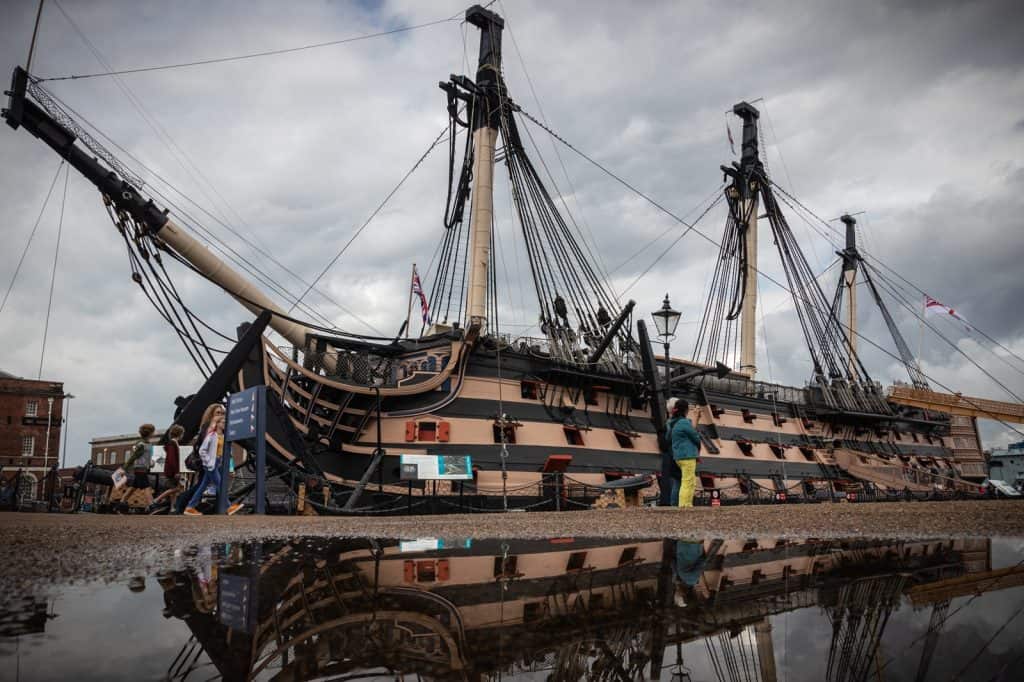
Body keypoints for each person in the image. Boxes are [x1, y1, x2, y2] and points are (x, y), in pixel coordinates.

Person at [184, 413, 242, 516]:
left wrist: (230, 466)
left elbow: (228, 453)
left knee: (203, 486)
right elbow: (202, 450)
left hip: (218, 462)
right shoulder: (211, 435)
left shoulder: (223, 436)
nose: (225, 424)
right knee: (220, 484)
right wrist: (209, 461)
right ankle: (228, 507)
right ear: (218, 424)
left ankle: (190, 507)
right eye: (223, 422)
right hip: (212, 463)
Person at [666, 398, 701, 508]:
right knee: (688, 482)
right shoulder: (684, 422)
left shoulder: (671, 423)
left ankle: (682, 504)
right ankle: (684, 505)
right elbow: (695, 436)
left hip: (677, 456)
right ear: (686, 410)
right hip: (687, 456)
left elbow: (668, 438)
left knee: (683, 481)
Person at [152, 424, 185, 512]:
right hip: (172, 471)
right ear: (180, 433)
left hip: (171, 470)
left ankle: (172, 508)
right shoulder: (172, 443)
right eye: (182, 433)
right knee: (176, 489)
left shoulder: (173, 443)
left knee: (173, 490)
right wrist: (176, 472)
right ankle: (157, 500)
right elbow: (172, 459)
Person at [124, 423, 156, 490]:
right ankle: (151, 501)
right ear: (150, 433)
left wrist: (150, 463)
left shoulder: (147, 444)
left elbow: (144, 457)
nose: (154, 433)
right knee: (147, 487)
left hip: (143, 467)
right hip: (140, 468)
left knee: (134, 487)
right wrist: (125, 467)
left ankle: (123, 499)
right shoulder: (141, 444)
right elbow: (134, 456)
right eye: (153, 431)